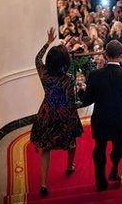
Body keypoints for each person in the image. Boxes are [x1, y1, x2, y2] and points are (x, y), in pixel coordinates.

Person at [80, 40, 122, 191]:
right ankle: (114, 169)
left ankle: (100, 180)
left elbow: (87, 101)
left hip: (100, 119)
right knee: (118, 147)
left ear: (105, 55)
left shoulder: (95, 75)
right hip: (121, 120)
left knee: (99, 148)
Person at [30, 28, 84, 197]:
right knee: (71, 140)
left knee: (45, 147)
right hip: (64, 112)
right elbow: (70, 100)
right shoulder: (68, 79)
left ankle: (44, 184)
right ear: (64, 62)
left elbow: (37, 58)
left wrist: (48, 42)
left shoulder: (43, 73)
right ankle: (69, 166)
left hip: (46, 111)